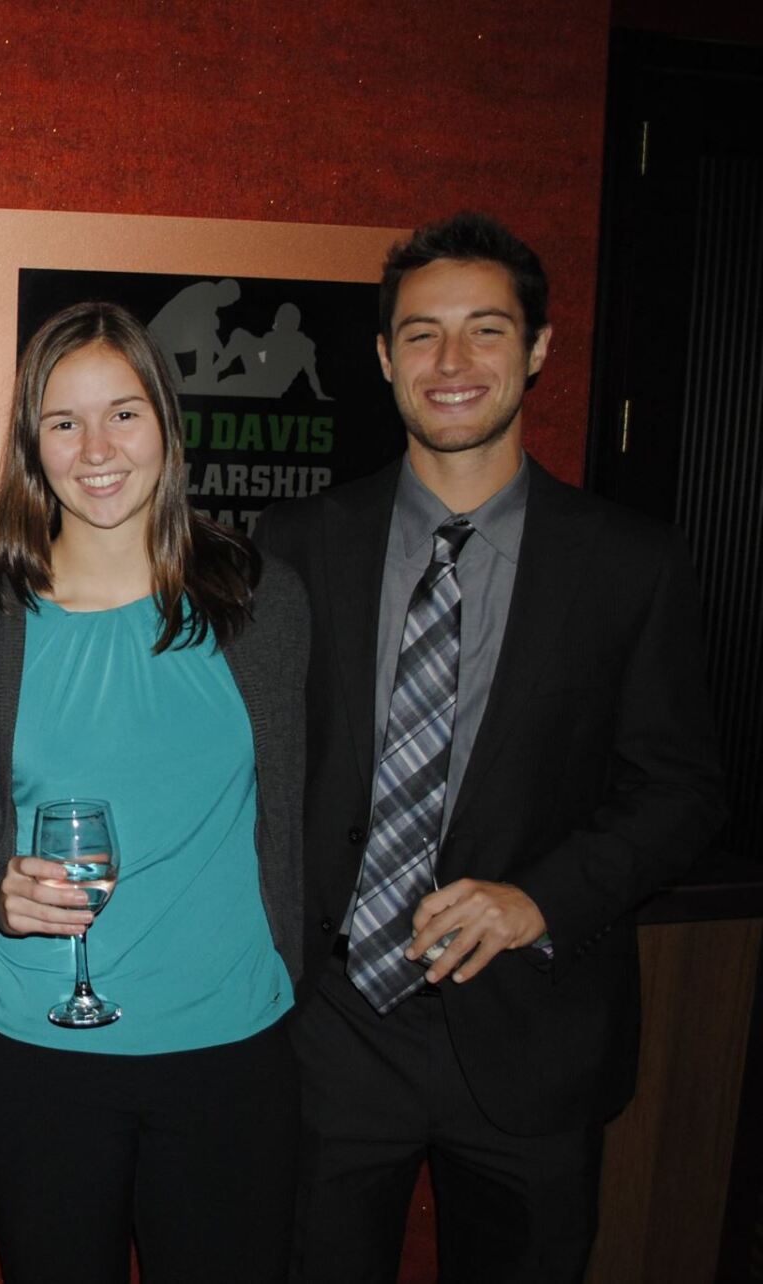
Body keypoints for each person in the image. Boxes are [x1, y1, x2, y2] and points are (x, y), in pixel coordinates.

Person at [254, 212, 726, 1282]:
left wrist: (539, 899)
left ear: (539, 349)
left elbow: (683, 791)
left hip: (536, 1031)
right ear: (382, 359)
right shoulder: (297, 547)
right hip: (330, 1030)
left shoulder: (630, 565)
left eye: (486, 331)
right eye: (421, 335)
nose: (452, 364)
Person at [0, 300, 309, 1284]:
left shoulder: (262, 609)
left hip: (231, 1060)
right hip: (40, 1065)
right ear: (32, 448)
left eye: (123, 413)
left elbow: (314, 802)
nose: (97, 447)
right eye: (64, 421)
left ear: (167, 428)